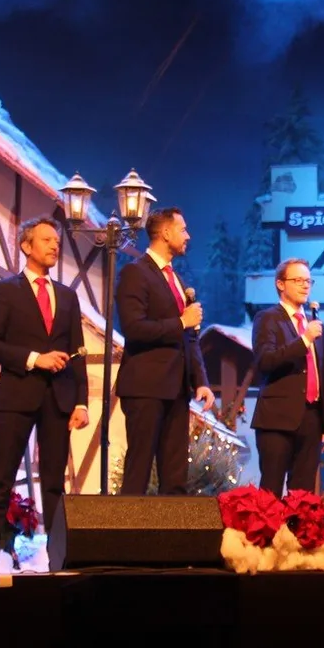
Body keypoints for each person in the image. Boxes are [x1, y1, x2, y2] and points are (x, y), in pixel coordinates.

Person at [0, 216, 89, 572]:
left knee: (55, 481)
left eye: (57, 241)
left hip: (59, 400)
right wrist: (35, 359)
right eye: (47, 240)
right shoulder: (6, 290)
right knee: (2, 477)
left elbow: (78, 351)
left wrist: (82, 401)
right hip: (17, 397)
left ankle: (59, 560)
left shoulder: (67, 297)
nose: (55, 245)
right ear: (26, 246)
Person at [115, 207, 213, 496]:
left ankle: (172, 540)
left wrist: (202, 381)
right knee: (139, 469)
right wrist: (181, 321)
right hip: (145, 386)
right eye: (183, 229)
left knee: (175, 477)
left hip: (176, 388)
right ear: (165, 233)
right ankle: (126, 538)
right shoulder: (135, 273)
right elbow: (134, 328)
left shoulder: (177, 281)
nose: (188, 236)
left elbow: (189, 339)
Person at [251, 258, 324, 495]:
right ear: (280, 284)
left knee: (304, 492)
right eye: (298, 280)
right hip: (277, 417)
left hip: (311, 417)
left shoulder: (314, 323)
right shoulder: (268, 318)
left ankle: (299, 533)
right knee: (271, 488)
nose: (305, 285)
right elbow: (265, 361)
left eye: (308, 280)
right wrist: (303, 341)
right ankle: (268, 533)